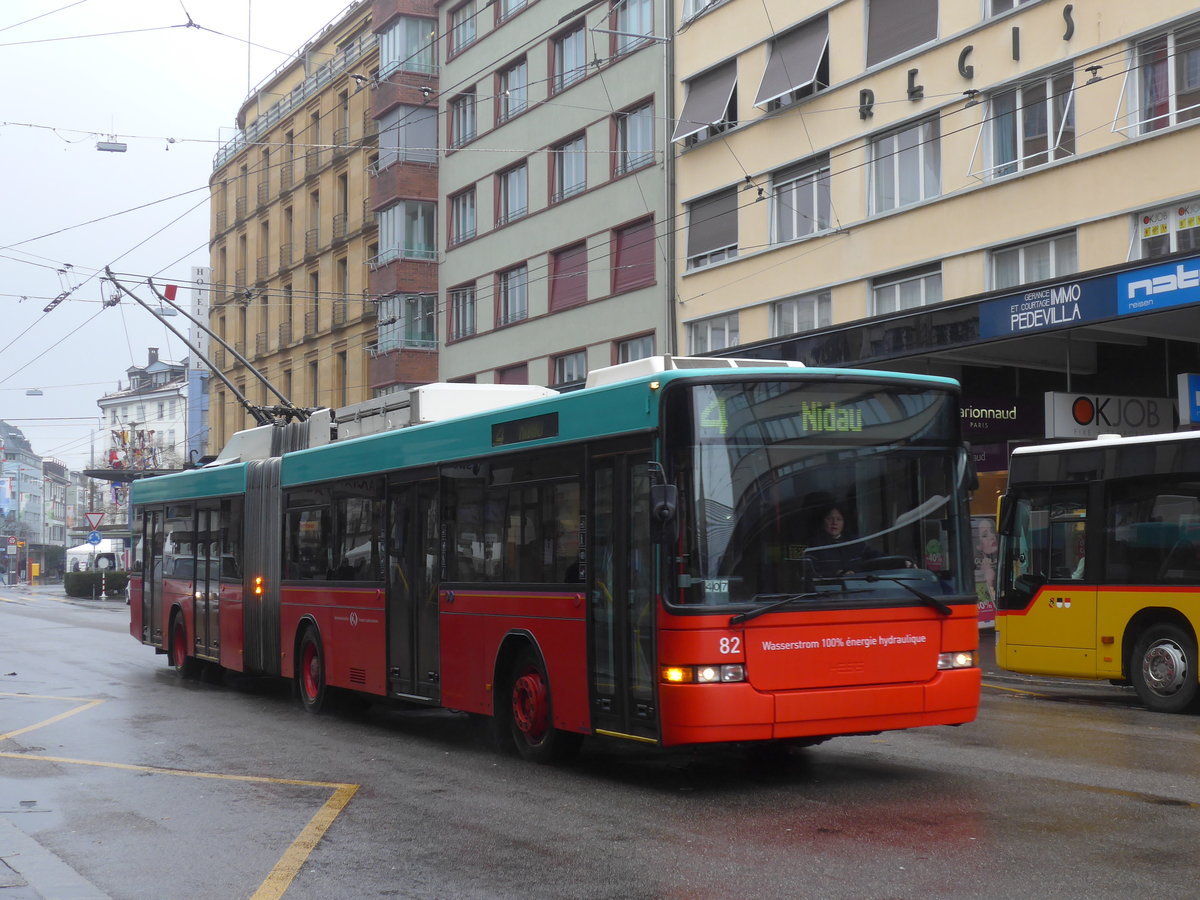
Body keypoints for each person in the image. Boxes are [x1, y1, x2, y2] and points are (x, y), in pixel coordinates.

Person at [806, 505, 878, 575]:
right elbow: (808, 570)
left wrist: (854, 571)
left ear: (844, 522)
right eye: (829, 518)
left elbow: (873, 560)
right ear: (822, 521)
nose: (834, 523)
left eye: (839, 519)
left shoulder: (855, 542)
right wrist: (835, 573)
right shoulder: (812, 544)